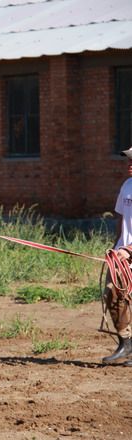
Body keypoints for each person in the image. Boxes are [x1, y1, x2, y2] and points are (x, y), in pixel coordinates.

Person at [102, 146, 132, 366]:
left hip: (128, 253)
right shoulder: (127, 186)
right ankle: (126, 343)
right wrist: (116, 248)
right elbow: (121, 223)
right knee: (112, 294)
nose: (129, 164)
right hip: (121, 255)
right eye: (128, 160)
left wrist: (129, 251)